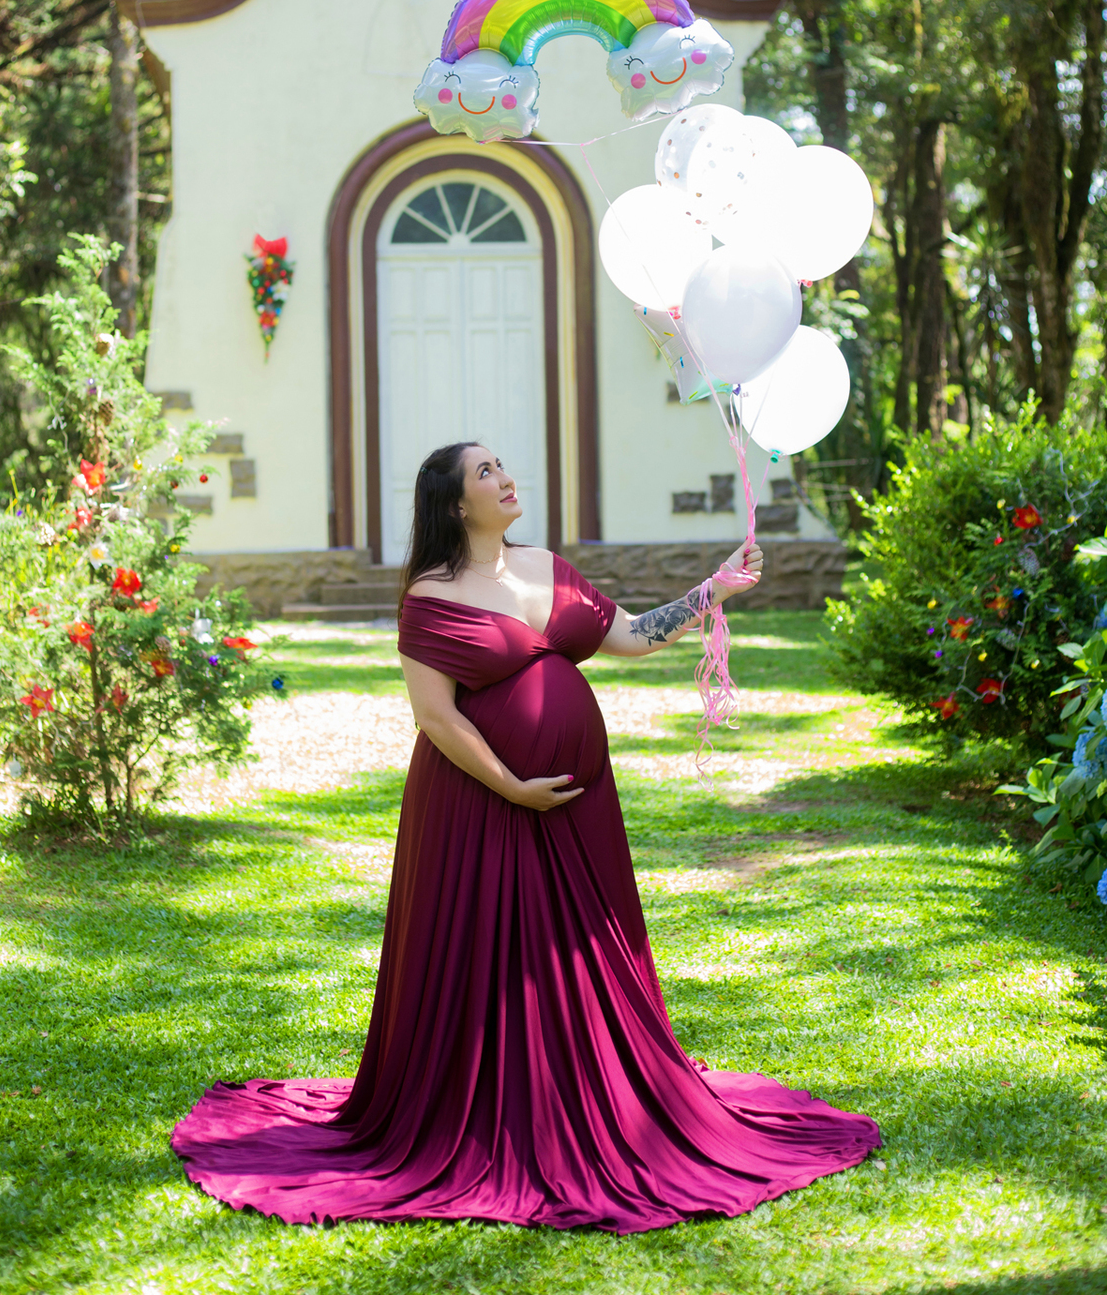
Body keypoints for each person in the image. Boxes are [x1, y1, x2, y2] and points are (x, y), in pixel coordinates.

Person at [172, 441, 879, 1231]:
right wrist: (510, 783)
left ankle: (581, 1089)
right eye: (485, 473)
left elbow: (636, 637)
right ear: (452, 503)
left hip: (578, 808)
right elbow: (435, 716)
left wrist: (714, 588)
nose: (506, 479)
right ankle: (487, 1112)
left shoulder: (547, 566)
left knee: (578, 951)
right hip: (477, 804)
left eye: (503, 466)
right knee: (484, 956)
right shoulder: (429, 596)